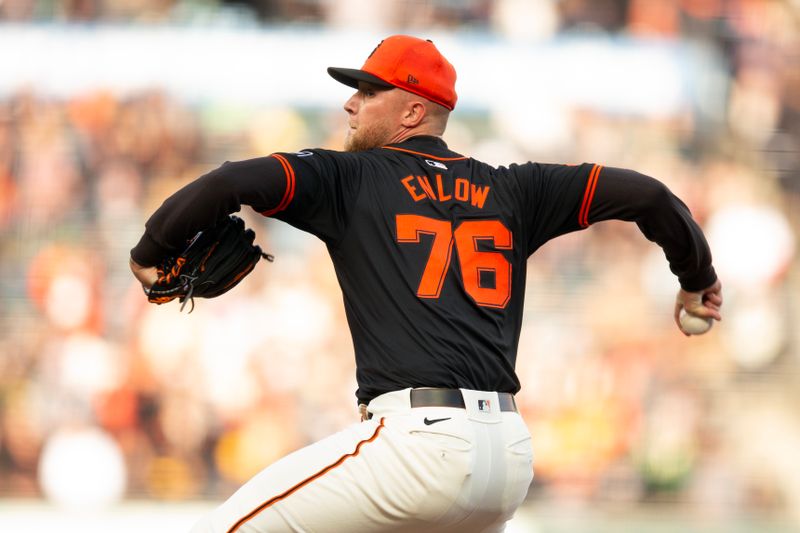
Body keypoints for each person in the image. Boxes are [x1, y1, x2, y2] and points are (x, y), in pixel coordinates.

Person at [130, 35, 723, 533]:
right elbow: (648, 195)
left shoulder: (350, 179)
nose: (351, 105)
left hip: (416, 447)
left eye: (368, 91)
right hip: (508, 458)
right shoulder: (514, 188)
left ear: (412, 111)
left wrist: (150, 254)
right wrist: (697, 280)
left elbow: (232, 179)